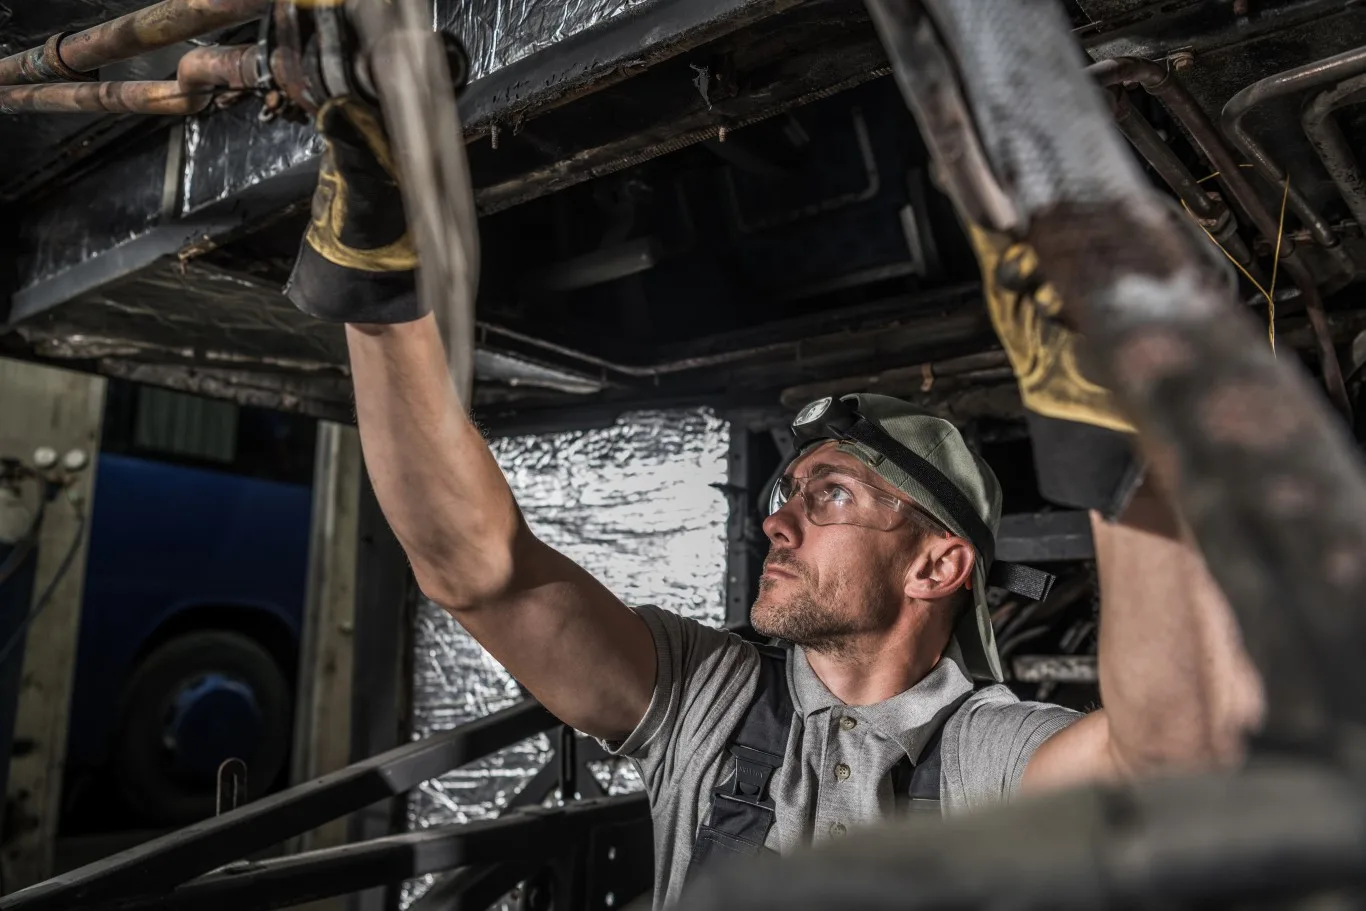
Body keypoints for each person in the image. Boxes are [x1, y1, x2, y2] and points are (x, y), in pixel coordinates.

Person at [284, 96, 1264, 909]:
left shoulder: (985, 753)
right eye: (784, 490)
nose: (774, 520)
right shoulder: (708, 699)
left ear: (937, 563)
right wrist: (385, 303)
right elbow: (479, 569)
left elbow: (1173, 754)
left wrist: (1131, 434)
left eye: (826, 493)